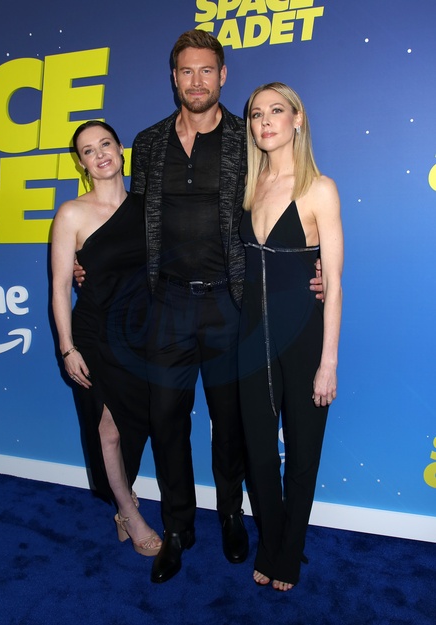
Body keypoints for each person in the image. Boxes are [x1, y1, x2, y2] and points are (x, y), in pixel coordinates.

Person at [130, 31, 324, 584]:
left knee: (232, 423)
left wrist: (315, 272)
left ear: (222, 76)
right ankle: (177, 528)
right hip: (166, 303)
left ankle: (232, 515)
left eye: (206, 70)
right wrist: (89, 260)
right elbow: (131, 220)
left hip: (231, 303)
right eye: (186, 71)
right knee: (166, 421)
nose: (197, 81)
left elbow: (292, 202)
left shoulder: (248, 139)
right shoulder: (147, 143)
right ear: (174, 77)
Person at [238, 82, 343, 591]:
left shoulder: (319, 188)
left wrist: (329, 363)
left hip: (303, 337)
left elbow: (335, 283)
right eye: (256, 114)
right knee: (259, 451)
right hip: (250, 339)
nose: (265, 122)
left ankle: (289, 550)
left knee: (302, 450)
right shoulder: (249, 186)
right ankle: (271, 541)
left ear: (297, 119)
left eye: (276, 111)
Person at [51, 120, 161, 557]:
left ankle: (123, 495)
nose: (99, 155)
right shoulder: (71, 213)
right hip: (94, 333)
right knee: (107, 428)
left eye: (105, 144)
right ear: (81, 163)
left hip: (142, 336)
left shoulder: (149, 207)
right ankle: (128, 512)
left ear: (120, 149)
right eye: (88, 150)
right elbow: (60, 286)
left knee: (142, 421)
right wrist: (67, 347)